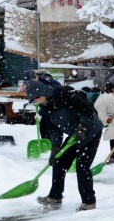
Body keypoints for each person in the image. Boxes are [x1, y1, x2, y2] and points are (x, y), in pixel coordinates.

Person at [26, 80, 103, 212]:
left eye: (36, 98)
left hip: (91, 130)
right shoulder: (47, 109)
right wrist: (55, 149)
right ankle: (55, 197)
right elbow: (55, 130)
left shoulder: (65, 95)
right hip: (75, 134)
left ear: (42, 93)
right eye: (34, 100)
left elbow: (87, 110)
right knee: (59, 163)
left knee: (82, 167)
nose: (37, 102)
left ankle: (89, 202)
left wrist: (83, 127)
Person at [94, 84, 114, 164]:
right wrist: (109, 120)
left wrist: (106, 122)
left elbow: (103, 118)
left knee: (112, 134)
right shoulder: (105, 94)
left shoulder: (98, 103)